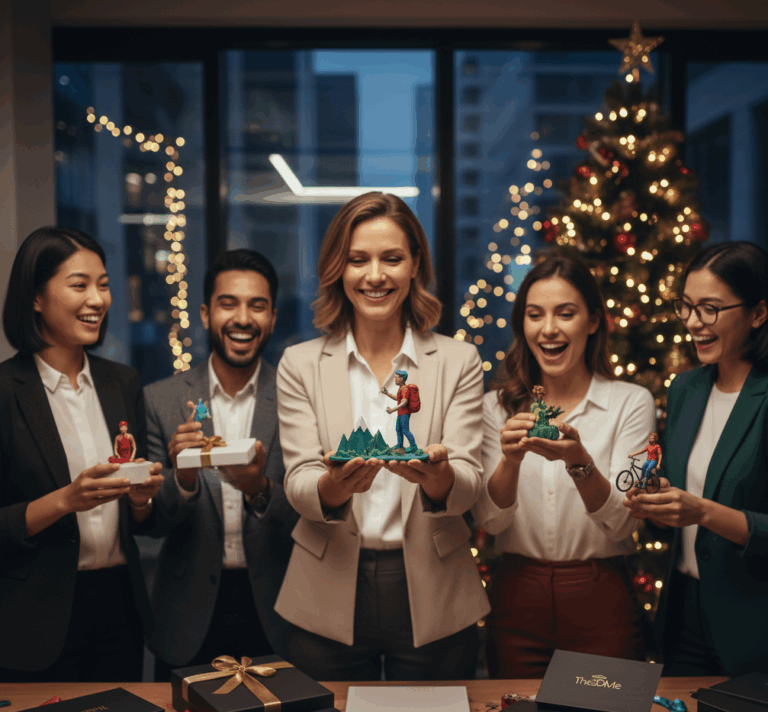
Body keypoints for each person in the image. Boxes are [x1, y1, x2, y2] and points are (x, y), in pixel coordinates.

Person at [275, 191, 489, 681]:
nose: (375, 276)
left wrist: (437, 478)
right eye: (358, 260)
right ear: (338, 269)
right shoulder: (300, 364)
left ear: (415, 265)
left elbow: (470, 482)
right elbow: (299, 482)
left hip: (434, 587)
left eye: (392, 258)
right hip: (325, 584)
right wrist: (335, 486)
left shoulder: (459, 361)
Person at [473, 251, 655, 679]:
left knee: (607, 711)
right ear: (522, 324)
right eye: (535, 315)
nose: (549, 329)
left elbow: (623, 525)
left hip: (602, 599)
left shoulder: (629, 402)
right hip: (516, 597)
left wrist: (579, 462)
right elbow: (491, 522)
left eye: (565, 313)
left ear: (593, 321)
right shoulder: (494, 408)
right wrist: (510, 461)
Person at [0, 226, 164, 682]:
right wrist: (65, 501)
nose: (97, 299)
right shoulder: (5, 391)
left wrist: (142, 498)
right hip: (34, 616)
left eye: (104, 285)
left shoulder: (123, 382)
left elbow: (146, 520)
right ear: (36, 297)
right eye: (79, 285)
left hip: (119, 607)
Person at [138, 249, 298, 681]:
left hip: (279, 612)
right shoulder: (162, 399)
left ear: (273, 317)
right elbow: (149, 523)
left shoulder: (295, 397)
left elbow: (309, 516)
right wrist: (184, 478)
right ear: (207, 314)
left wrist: (259, 488)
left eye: (257, 305)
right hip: (186, 614)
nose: (243, 318)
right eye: (229, 303)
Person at [625, 241, 768, 676]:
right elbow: (677, 501)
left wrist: (701, 510)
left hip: (753, 625)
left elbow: (705, 509)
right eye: (685, 306)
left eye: (709, 308)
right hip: (684, 613)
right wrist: (654, 498)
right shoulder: (686, 389)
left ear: (759, 314)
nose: (691, 322)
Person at [381, 369, 418, 451]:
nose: (395, 379)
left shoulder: (404, 389)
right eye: (395, 377)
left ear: (402, 378)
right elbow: (397, 398)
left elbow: (404, 403)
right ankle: (400, 445)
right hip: (400, 413)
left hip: (405, 413)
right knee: (398, 429)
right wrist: (387, 393)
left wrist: (392, 410)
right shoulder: (401, 389)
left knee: (405, 430)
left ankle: (413, 446)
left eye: (397, 377)